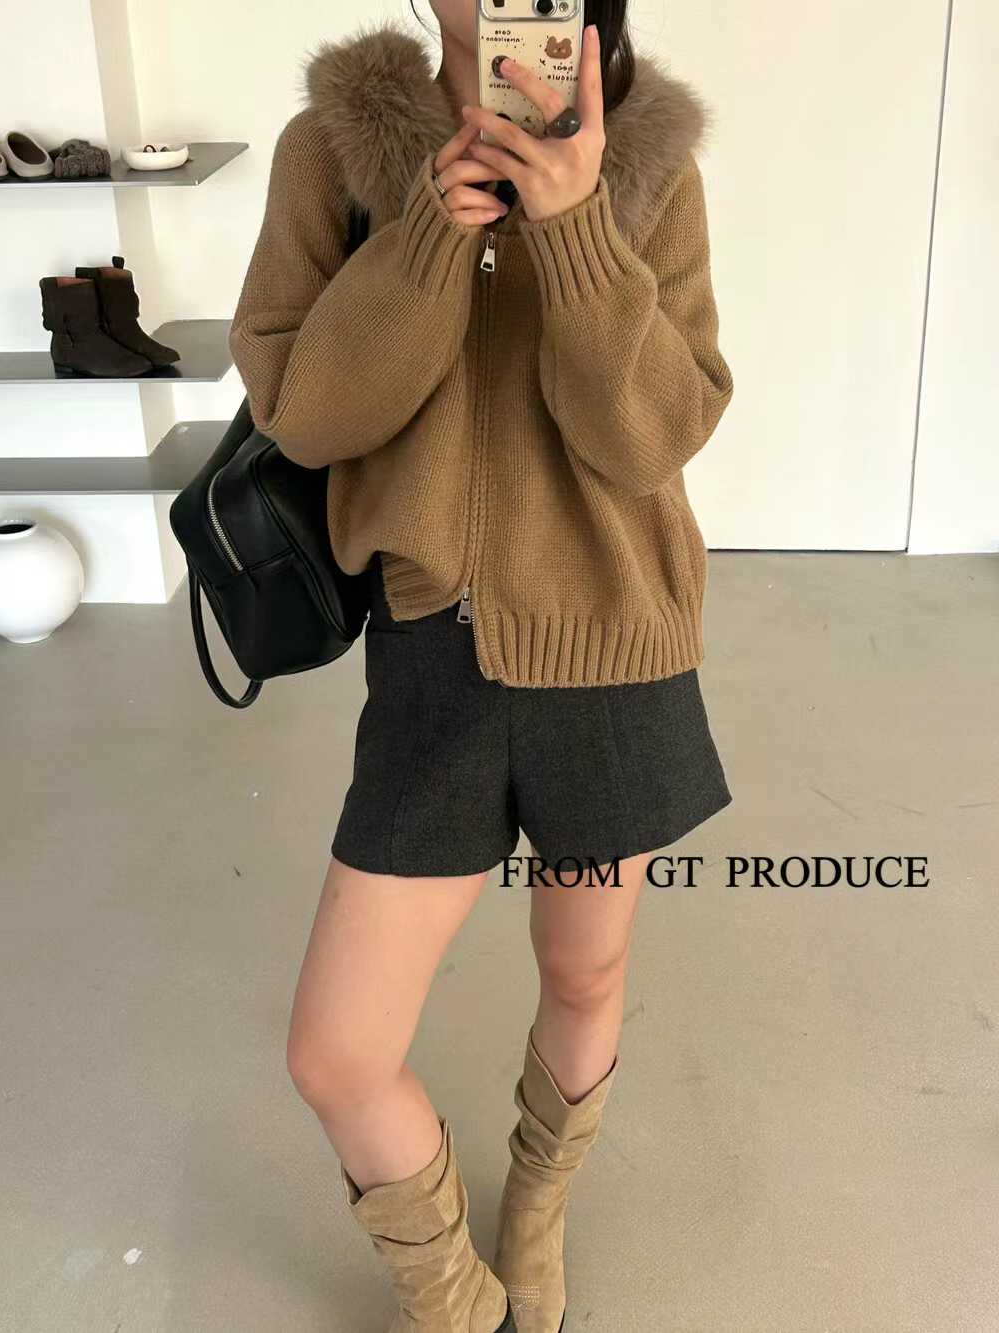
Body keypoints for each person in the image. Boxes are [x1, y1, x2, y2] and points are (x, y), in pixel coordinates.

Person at [228, 3, 734, 1328]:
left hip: (612, 641)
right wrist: (420, 245)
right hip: (433, 654)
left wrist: (574, 230)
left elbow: (653, 436)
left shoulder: (647, 161)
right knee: (338, 1051)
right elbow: (305, 415)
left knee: (586, 974)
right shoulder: (332, 153)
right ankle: (457, 1299)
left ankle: (538, 1209)